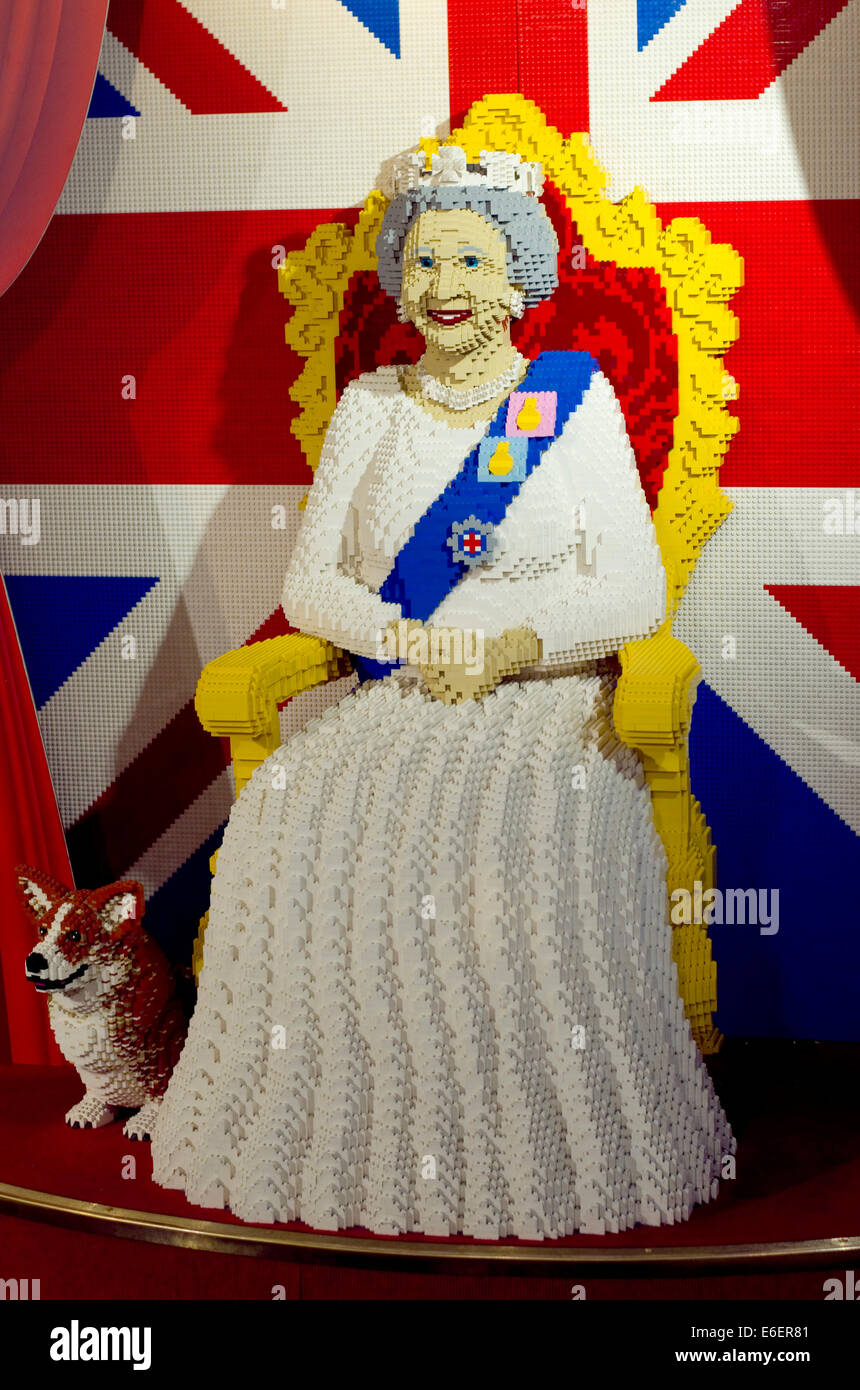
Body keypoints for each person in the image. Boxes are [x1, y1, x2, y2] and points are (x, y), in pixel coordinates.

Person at [151, 144, 734, 1239]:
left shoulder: (573, 402)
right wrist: (401, 637)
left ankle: (525, 1141)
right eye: (423, 262)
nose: (443, 285)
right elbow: (309, 580)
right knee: (295, 810)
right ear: (397, 277)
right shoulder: (371, 407)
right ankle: (345, 1132)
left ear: (517, 277)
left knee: (508, 830)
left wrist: (512, 646)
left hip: (548, 690)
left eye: (470, 258)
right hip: (402, 683)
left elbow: (633, 589)